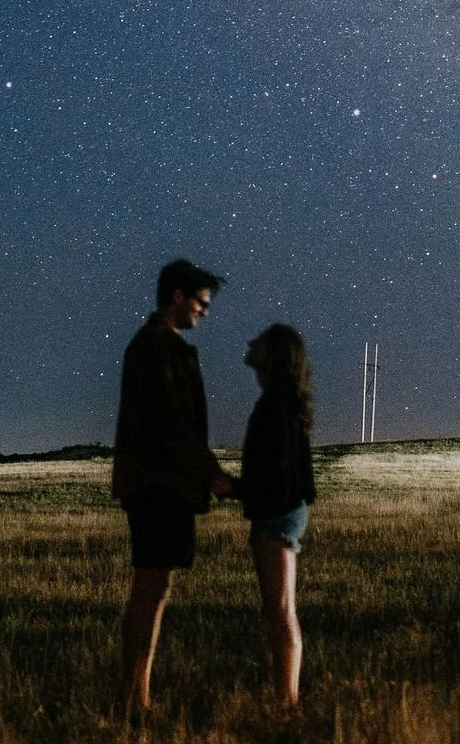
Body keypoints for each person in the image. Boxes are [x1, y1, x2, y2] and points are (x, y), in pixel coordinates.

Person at [112, 259, 235, 715]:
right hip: (157, 485)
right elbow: (173, 423)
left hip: (160, 482)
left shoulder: (162, 346)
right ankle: (134, 700)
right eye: (200, 303)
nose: (204, 312)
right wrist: (211, 474)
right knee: (150, 585)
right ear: (178, 296)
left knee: (155, 584)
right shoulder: (156, 348)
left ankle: (136, 696)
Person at [240, 323, 316, 708]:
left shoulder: (277, 403)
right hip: (280, 511)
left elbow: (277, 472)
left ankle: (287, 704)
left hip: (278, 514)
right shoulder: (281, 400)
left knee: (282, 610)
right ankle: (285, 700)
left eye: (260, 340)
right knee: (279, 609)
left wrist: (237, 489)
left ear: (273, 354)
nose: (250, 342)